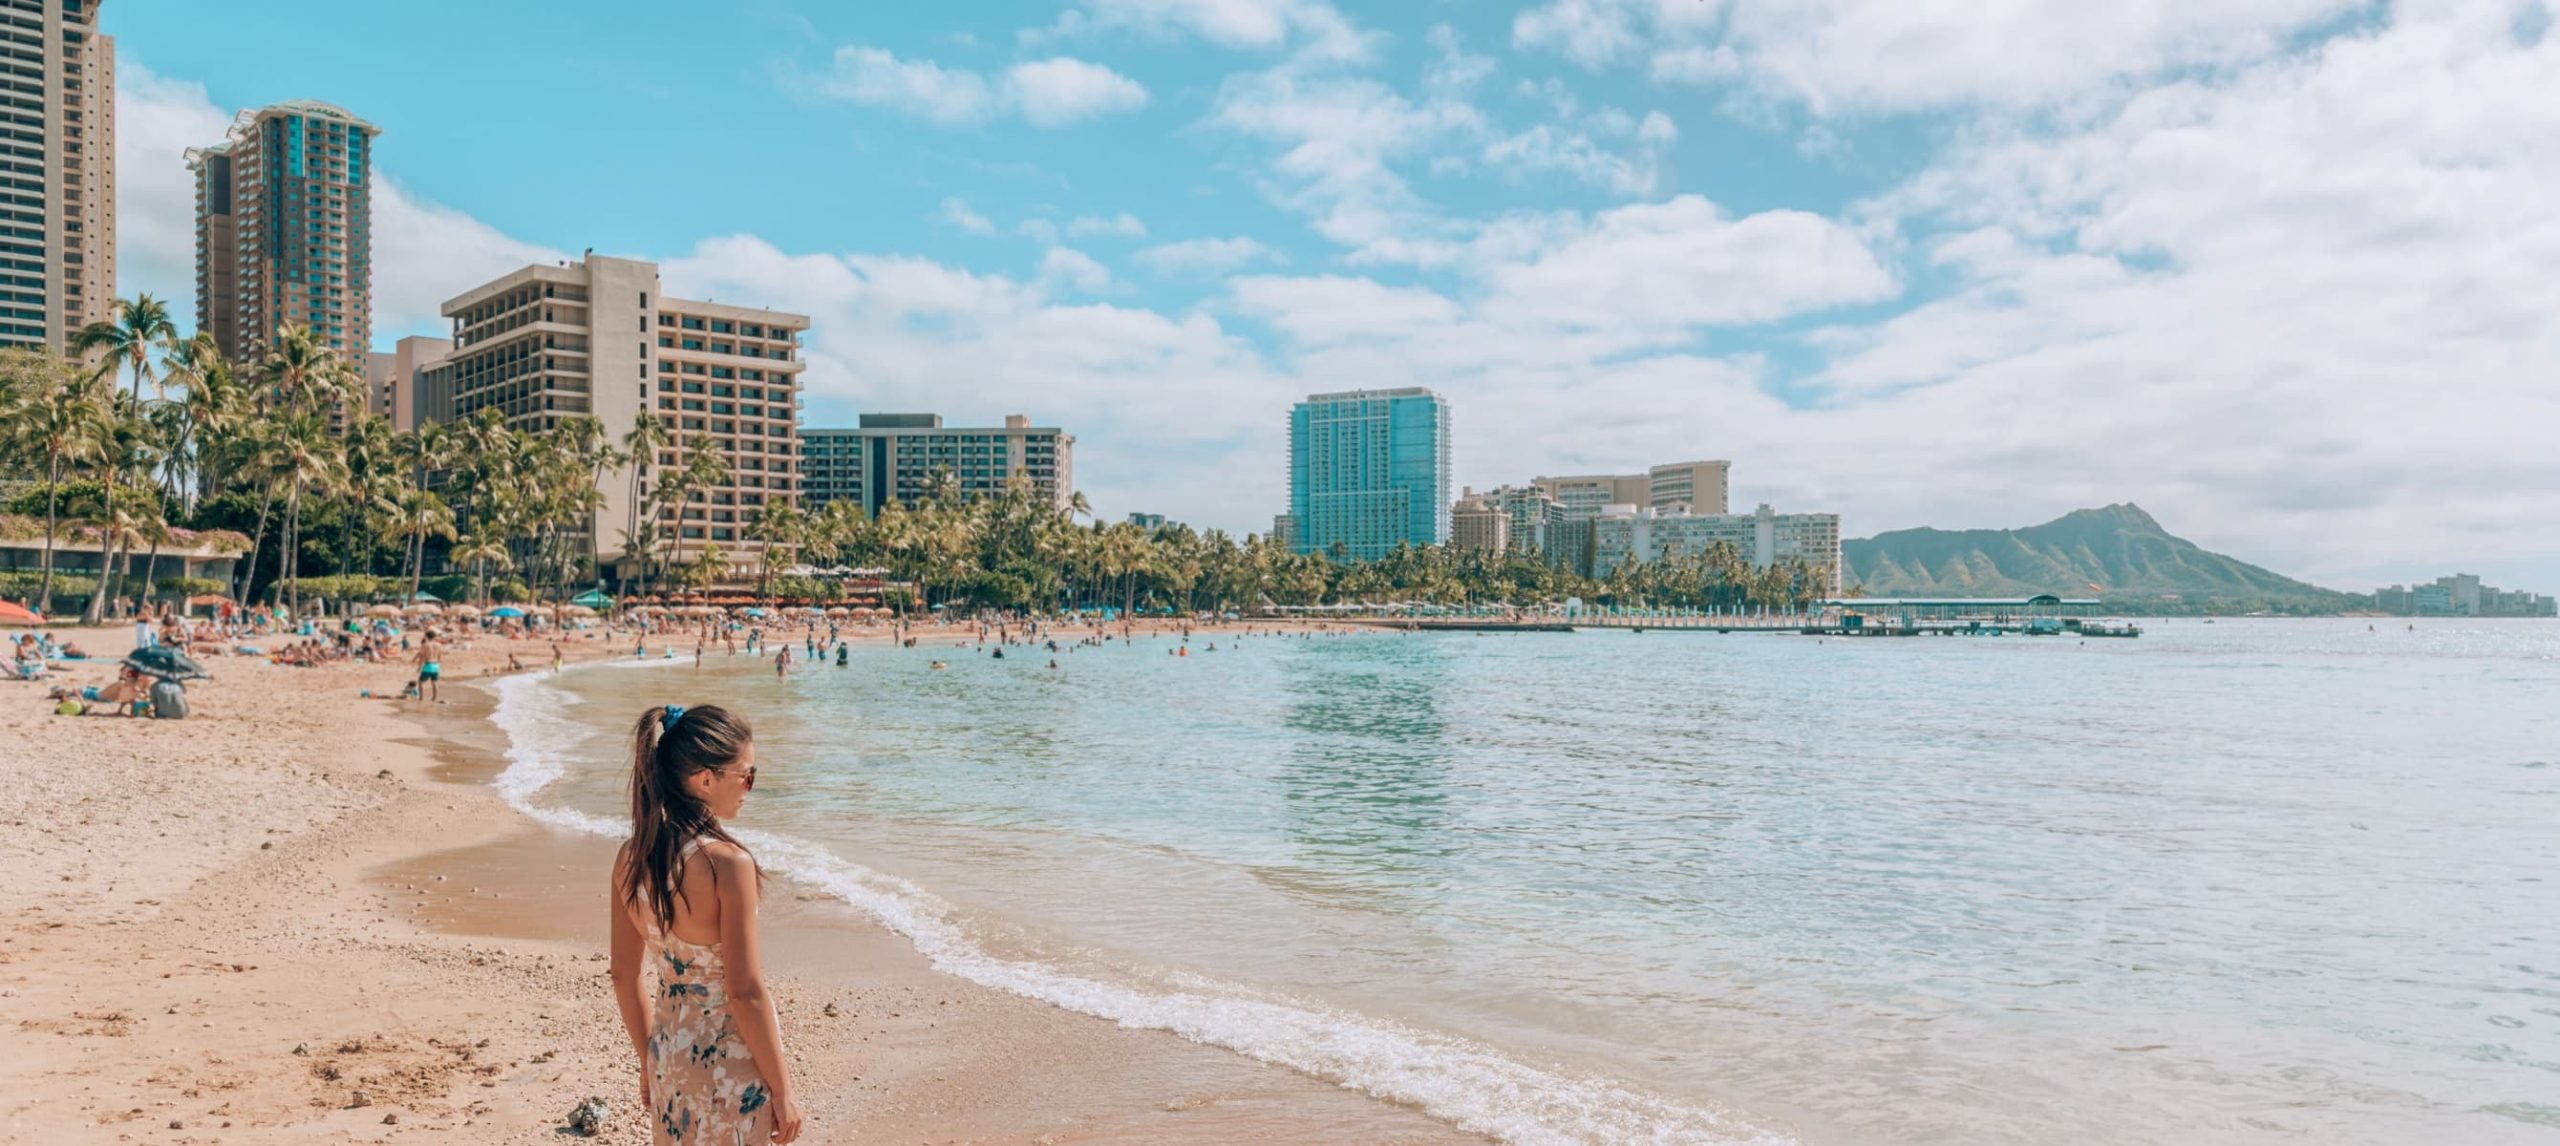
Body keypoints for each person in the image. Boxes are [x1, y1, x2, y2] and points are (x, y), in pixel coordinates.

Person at [610, 705, 803, 1145]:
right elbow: (744, 991)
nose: (750, 788)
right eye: (746, 775)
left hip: (669, 1054)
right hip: (730, 1062)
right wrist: (784, 1089)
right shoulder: (726, 865)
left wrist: (649, 1059)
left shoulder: (631, 857)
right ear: (705, 779)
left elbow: (624, 975)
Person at [412, 634, 444, 702]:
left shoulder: (425, 645)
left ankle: (421, 698)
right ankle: (434, 698)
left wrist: (419, 666)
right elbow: (440, 656)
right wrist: (438, 664)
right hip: (436, 665)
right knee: (434, 682)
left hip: (428, 665)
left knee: (421, 682)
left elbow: (422, 656)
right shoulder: (439, 645)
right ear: (434, 636)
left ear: (427, 636)